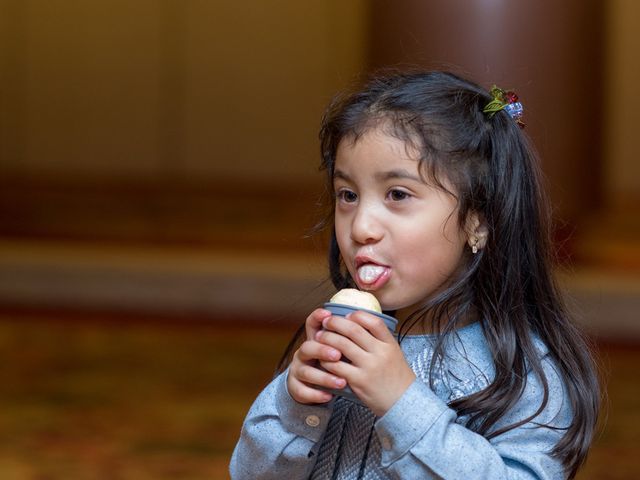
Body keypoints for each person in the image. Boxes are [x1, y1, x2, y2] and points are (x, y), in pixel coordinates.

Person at [229, 71, 600, 479]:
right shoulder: (338, 344)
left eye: (398, 195)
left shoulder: (521, 370)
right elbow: (250, 473)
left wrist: (401, 403)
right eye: (348, 195)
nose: (361, 227)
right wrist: (296, 405)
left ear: (479, 220)